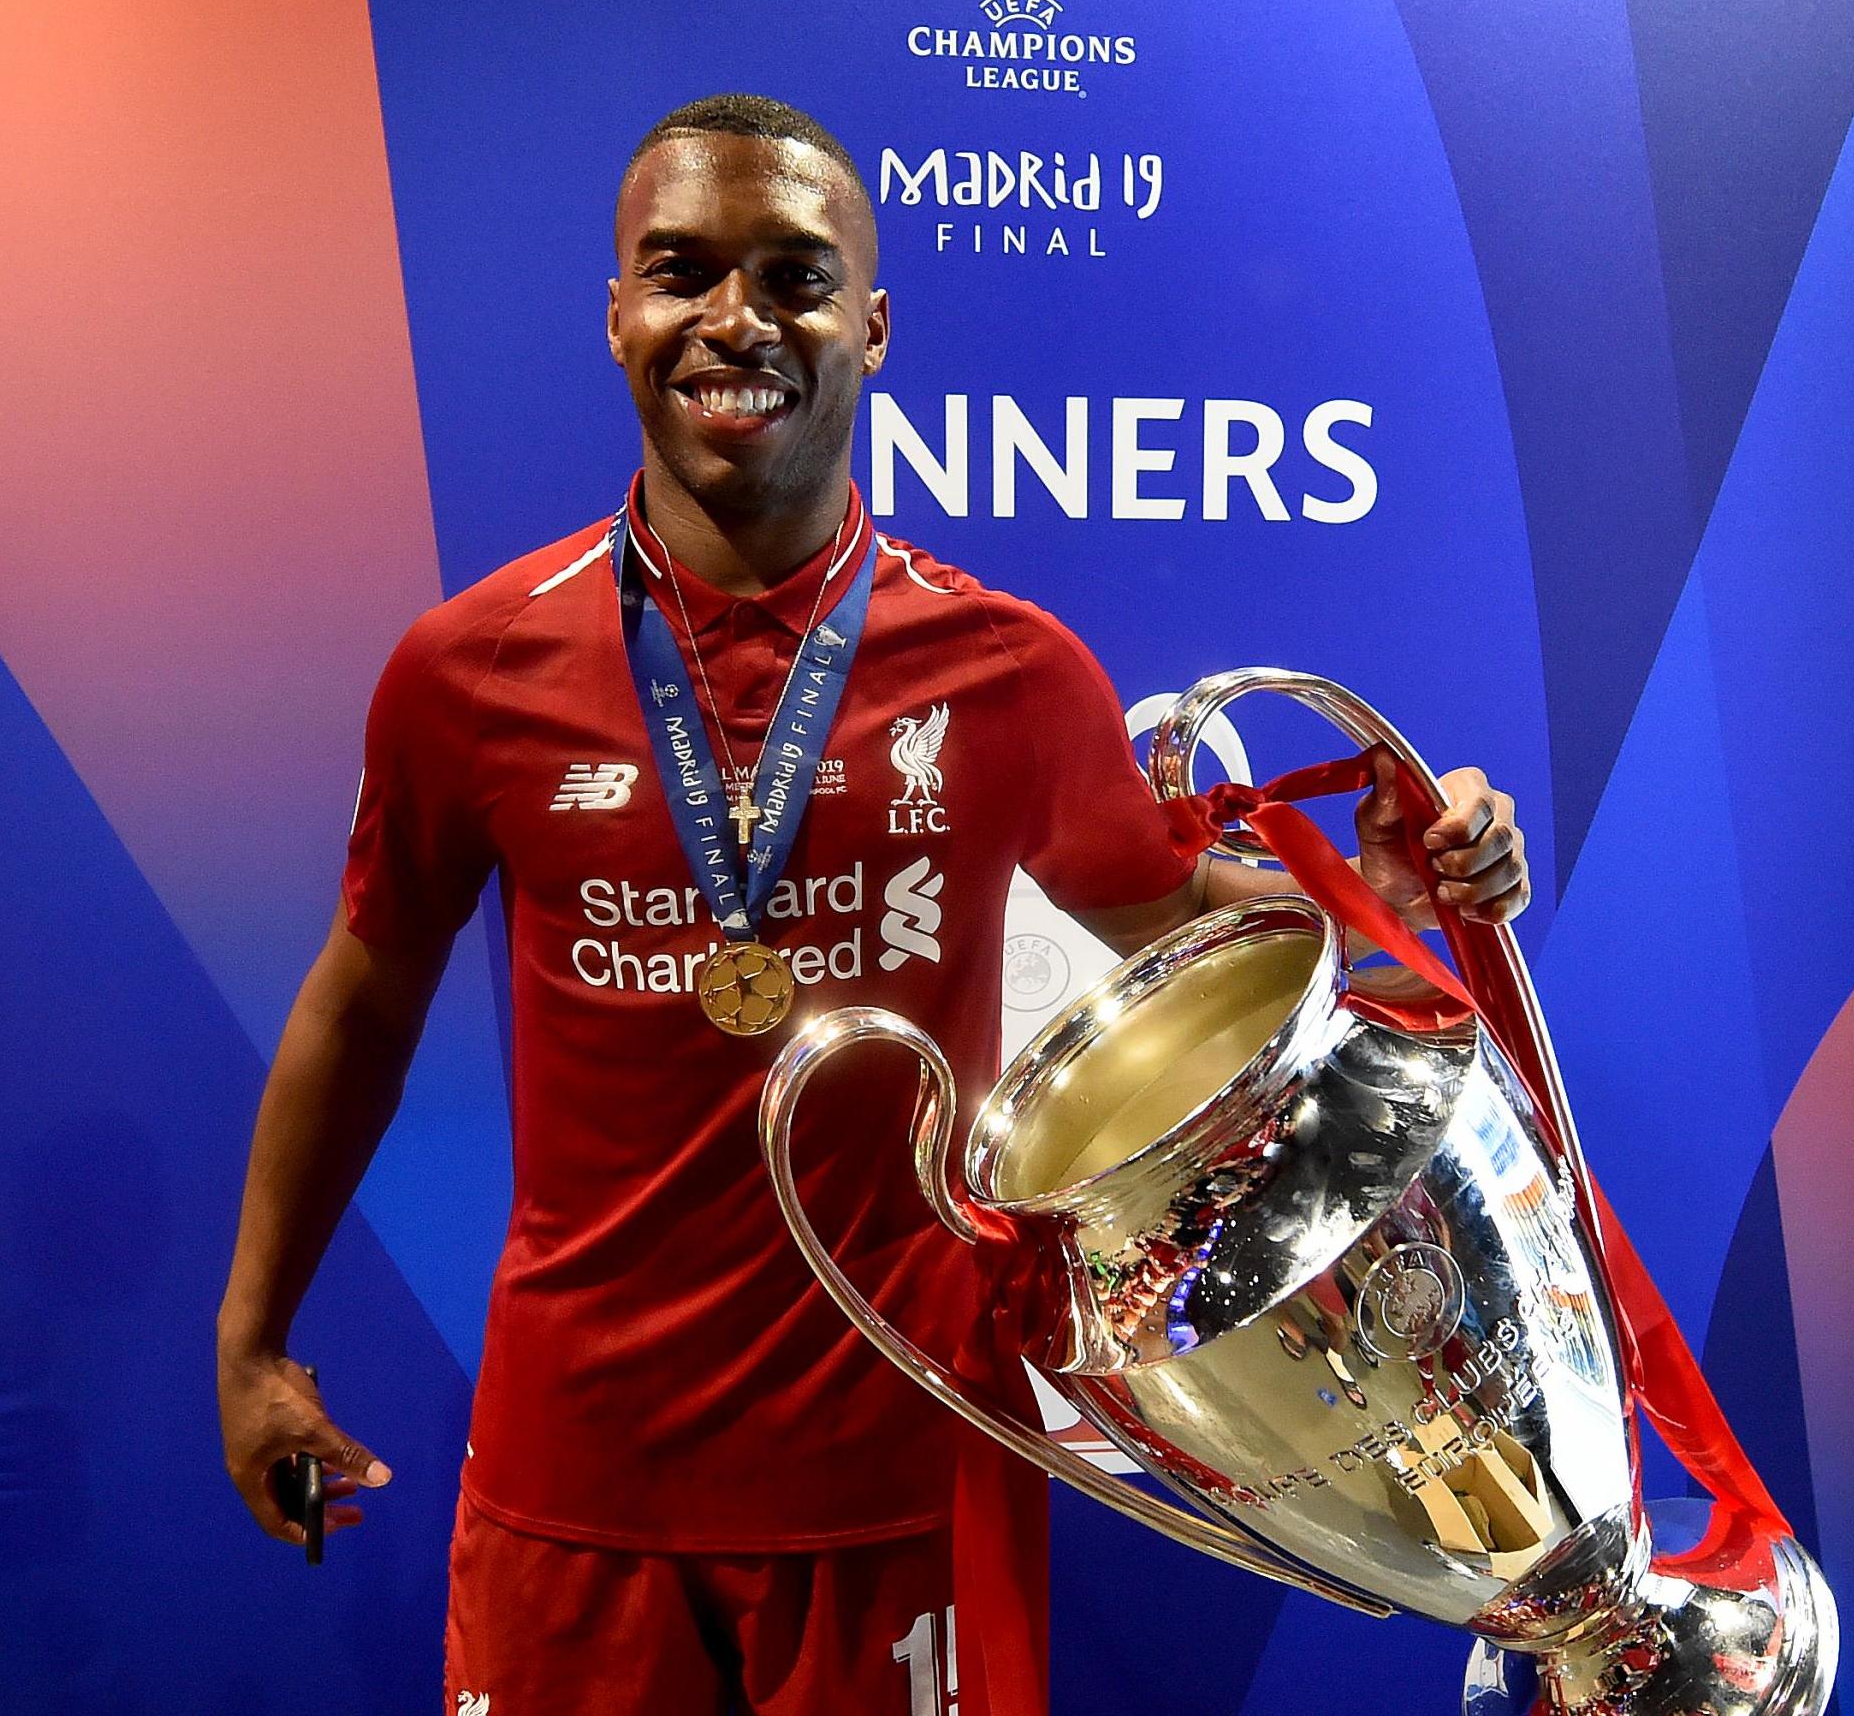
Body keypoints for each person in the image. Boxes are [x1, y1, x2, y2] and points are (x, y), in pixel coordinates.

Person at [215, 93, 1530, 1716]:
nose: (734, 319)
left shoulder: (1010, 671)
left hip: (909, 1452)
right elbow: (361, 999)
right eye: (681, 270)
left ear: (875, 324)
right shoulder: (468, 669)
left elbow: (1186, 928)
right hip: (582, 1469)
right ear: (615, 313)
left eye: (794, 274)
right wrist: (254, 1338)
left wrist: (1370, 879)